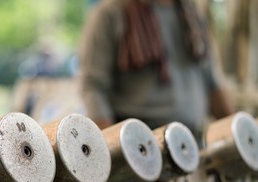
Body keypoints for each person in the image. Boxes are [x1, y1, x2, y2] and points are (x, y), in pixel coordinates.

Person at [78, 0, 235, 142]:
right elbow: (93, 87)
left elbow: (211, 83)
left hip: (194, 141)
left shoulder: (191, 13)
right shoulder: (110, 13)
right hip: (140, 144)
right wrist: (112, 146)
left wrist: (237, 134)